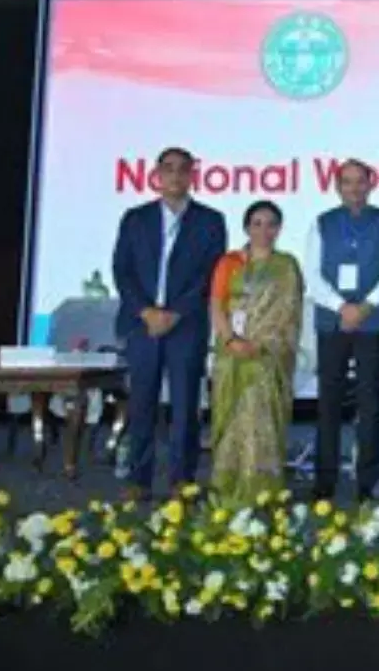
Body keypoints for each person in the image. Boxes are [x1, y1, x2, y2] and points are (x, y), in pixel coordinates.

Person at [111, 146, 227, 500]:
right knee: (141, 403)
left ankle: (182, 479)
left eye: (183, 169)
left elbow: (210, 274)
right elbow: (122, 271)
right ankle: (139, 479)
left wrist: (175, 313)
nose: (175, 175)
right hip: (142, 324)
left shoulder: (210, 221)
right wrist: (146, 312)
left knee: (185, 405)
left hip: (185, 324)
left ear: (192, 175)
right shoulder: (135, 218)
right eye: (169, 168)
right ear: (157, 175)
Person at [302, 159, 379, 502]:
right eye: (347, 182)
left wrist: (365, 307)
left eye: (360, 181)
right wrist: (341, 307)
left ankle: (368, 480)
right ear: (337, 187)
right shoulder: (321, 223)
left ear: (371, 184)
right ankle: (325, 479)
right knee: (328, 402)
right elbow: (312, 274)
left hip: (371, 321)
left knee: (370, 401)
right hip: (332, 322)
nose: (354, 188)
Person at [208, 201, 304, 502]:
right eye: (257, 223)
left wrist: (261, 344)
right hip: (231, 353)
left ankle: (263, 491)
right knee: (230, 418)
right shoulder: (229, 262)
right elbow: (217, 304)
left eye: (271, 224)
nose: (264, 230)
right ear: (246, 228)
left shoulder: (287, 266)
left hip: (267, 357)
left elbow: (288, 313)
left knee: (262, 420)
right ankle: (228, 487)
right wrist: (230, 340)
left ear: (279, 229)